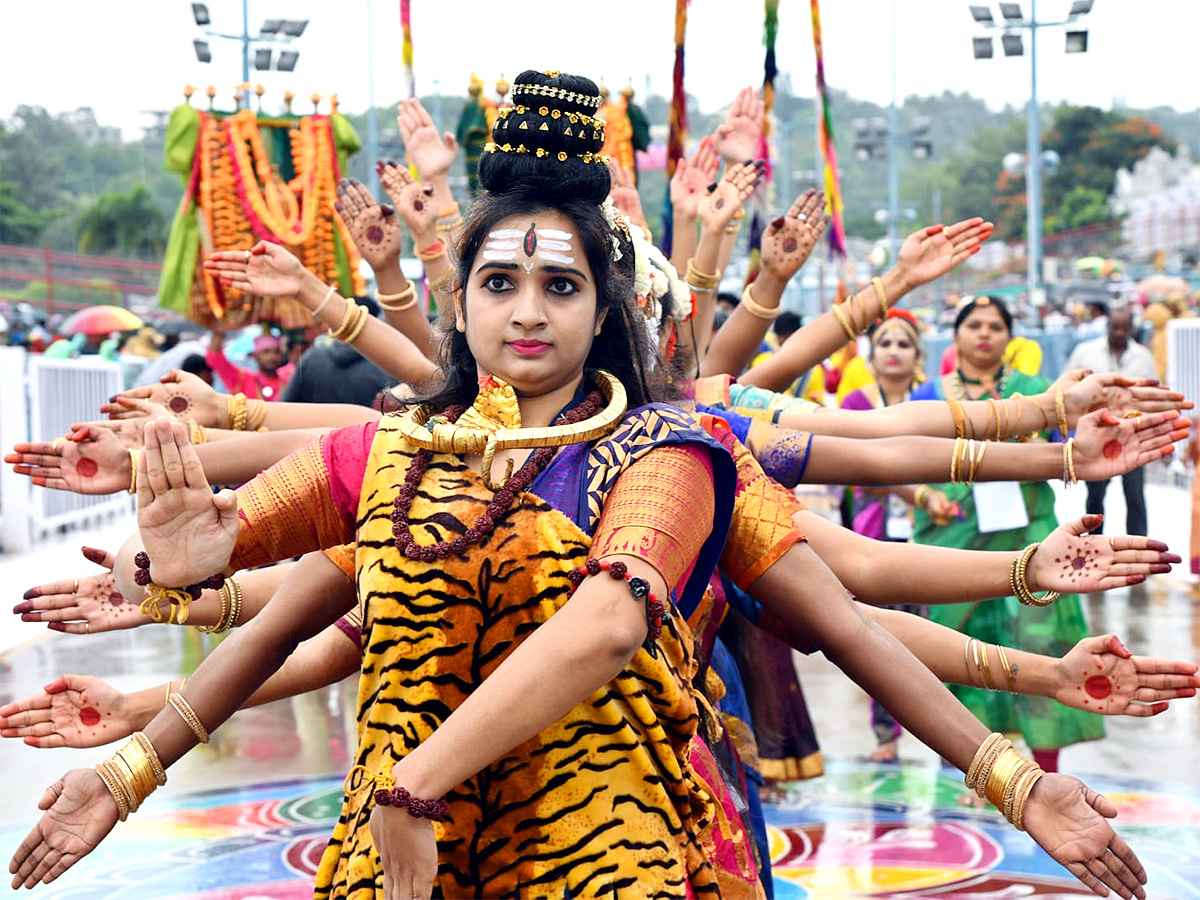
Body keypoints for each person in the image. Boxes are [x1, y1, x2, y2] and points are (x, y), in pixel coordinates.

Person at [910, 295, 1104, 777]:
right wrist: (924, 497)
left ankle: (1048, 769)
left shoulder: (1037, 393)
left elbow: (1074, 457)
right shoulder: (930, 396)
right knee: (958, 652)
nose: (984, 334)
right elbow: (903, 459)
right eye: (974, 324)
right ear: (955, 336)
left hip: (1032, 540)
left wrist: (1044, 442)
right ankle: (961, 764)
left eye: (995, 326)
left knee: (1040, 645)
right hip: (956, 537)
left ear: (1009, 337)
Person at [1066, 306, 1158, 536]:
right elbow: (1068, 388)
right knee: (1095, 496)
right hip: (1098, 437)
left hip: (1133, 437)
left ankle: (1139, 549)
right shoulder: (1085, 352)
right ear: (1107, 326)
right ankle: (1094, 547)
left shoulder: (1143, 357)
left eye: (1125, 328)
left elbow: (1155, 397)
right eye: (1115, 327)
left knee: (1135, 496)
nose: (1119, 333)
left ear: (1131, 329)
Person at [280, 295, 396, 407]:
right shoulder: (387, 365)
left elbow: (286, 405)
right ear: (375, 323)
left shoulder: (312, 358)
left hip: (317, 426)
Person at [205, 326, 293, 401]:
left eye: (277, 352)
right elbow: (215, 359)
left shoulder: (289, 376)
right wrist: (219, 331)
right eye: (266, 352)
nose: (272, 357)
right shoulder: (242, 379)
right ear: (254, 355)